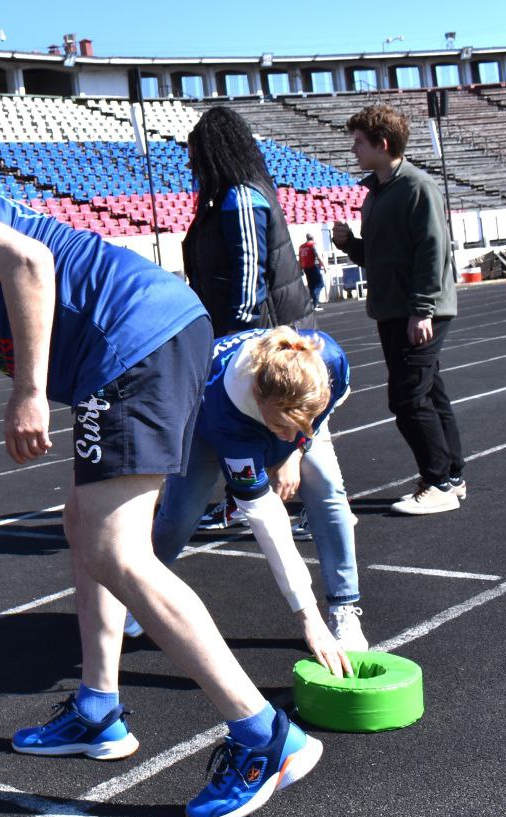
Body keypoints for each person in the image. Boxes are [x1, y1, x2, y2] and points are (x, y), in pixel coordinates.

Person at [0, 168, 324, 817]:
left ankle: (264, 735)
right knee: (85, 526)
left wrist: (33, 391)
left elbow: (31, 261)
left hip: (134, 344)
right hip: (147, 338)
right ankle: (99, 708)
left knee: (119, 552)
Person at [151, 327, 367, 656]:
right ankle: (137, 591)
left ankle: (344, 606)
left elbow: (313, 418)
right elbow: (268, 522)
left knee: (328, 492)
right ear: (256, 393)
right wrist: (306, 615)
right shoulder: (229, 413)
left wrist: (296, 448)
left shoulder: (331, 363)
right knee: (180, 516)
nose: (285, 436)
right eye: (281, 426)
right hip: (206, 424)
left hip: (285, 415)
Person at [184, 106, 313, 534]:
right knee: (262, 419)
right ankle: (246, 501)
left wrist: (238, 335)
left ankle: (320, 508)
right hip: (261, 328)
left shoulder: (240, 197)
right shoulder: (229, 197)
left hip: (265, 331)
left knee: (293, 420)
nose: (191, 164)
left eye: (196, 154)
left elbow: (248, 272)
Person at [331, 104, 465, 516]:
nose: (354, 149)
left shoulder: (417, 187)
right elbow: (381, 256)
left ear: (381, 144)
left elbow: (432, 251)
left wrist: (421, 310)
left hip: (419, 311)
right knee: (429, 392)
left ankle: (437, 481)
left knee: (407, 399)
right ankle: (452, 476)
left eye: (359, 143)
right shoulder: (374, 194)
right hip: (392, 310)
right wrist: (350, 245)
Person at [298, 233, 328, 311]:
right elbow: (318, 256)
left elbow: (300, 259)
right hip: (313, 267)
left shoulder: (301, 247)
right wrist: (324, 266)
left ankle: (313, 303)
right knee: (319, 284)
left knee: (311, 286)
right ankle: (315, 303)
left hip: (306, 268)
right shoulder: (312, 245)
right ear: (313, 238)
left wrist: (300, 268)